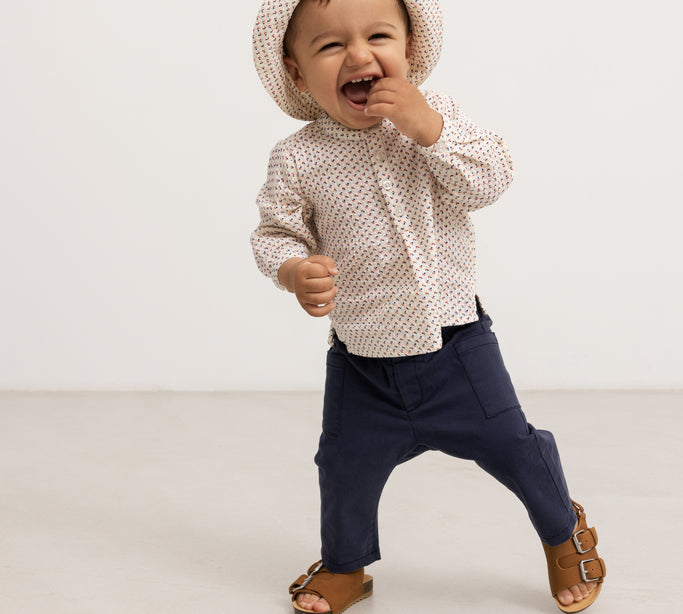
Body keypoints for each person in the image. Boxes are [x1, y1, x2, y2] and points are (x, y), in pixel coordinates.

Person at [250, 0, 606, 612]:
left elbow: (490, 179)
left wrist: (430, 128)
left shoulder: (436, 119)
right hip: (362, 362)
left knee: (513, 445)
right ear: (297, 71)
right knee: (342, 464)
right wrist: (293, 269)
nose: (359, 55)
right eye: (330, 45)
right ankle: (346, 566)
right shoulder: (298, 157)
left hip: (457, 348)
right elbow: (275, 233)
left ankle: (562, 531)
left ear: (410, 49)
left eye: (379, 36)